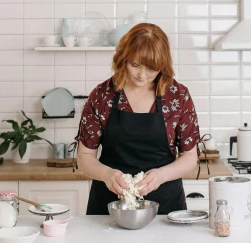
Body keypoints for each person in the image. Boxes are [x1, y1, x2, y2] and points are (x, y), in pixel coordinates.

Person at [75, 23, 201, 215]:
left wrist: (160, 176)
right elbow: (84, 158)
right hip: (110, 208)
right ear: (123, 59)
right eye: (135, 65)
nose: (142, 75)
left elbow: (190, 157)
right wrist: (107, 175)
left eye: (151, 68)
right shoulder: (102, 95)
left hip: (165, 209)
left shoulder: (177, 96)